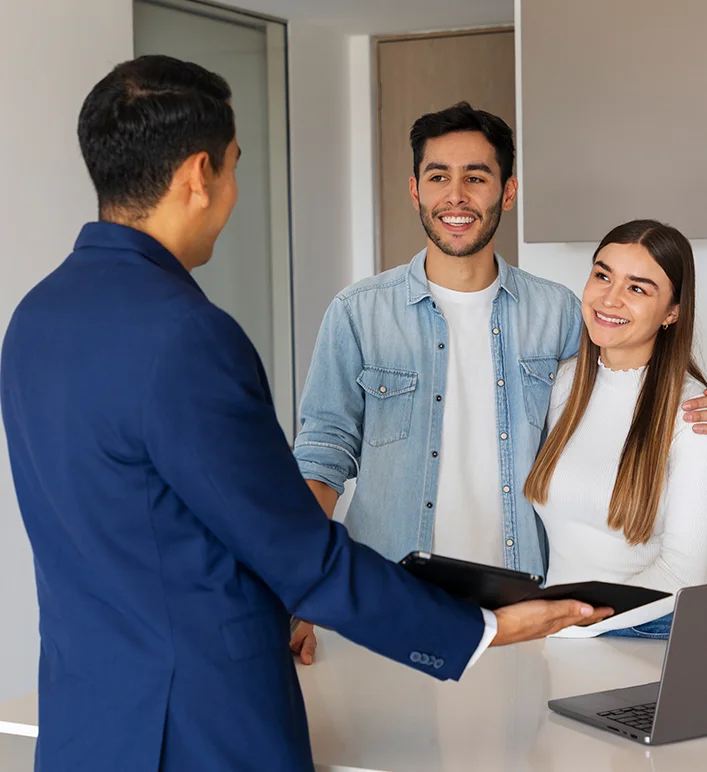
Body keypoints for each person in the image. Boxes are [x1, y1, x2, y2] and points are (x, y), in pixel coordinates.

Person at [0, 57, 608, 772]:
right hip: (202, 726)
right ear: (199, 175)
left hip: (91, 723)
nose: (231, 193)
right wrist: (479, 629)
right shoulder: (188, 332)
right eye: (231, 168)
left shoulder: (35, 317)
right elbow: (293, 546)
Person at [290, 103, 707, 663]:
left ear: (507, 193)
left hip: (523, 610)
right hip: (393, 598)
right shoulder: (357, 313)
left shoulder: (557, 312)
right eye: (438, 176)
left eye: (476, 177)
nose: (456, 196)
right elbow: (321, 457)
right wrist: (298, 589)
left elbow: (637, 376)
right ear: (415, 190)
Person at [525, 220, 707, 639]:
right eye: (603, 275)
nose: (610, 298)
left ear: (672, 312)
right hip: (560, 632)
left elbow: (686, 572)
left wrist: (572, 623)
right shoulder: (559, 384)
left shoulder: (691, 414)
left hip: (644, 633)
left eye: (637, 288)